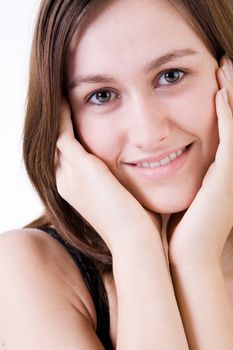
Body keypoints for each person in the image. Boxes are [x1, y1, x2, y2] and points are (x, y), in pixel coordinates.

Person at [0, 0, 233, 348]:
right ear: (62, 121)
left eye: (171, 75)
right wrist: (135, 249)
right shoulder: (26, 272)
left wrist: (196, 259)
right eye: (102, 95)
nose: (149, 132)